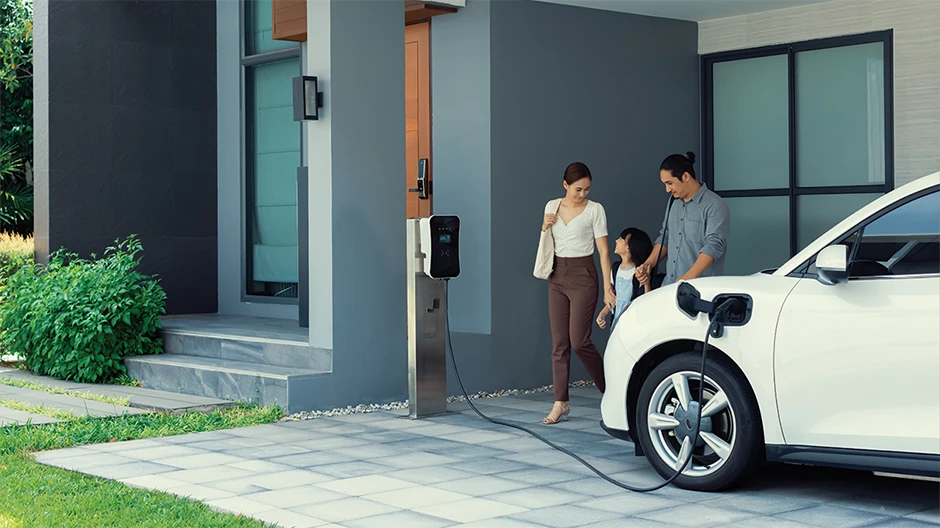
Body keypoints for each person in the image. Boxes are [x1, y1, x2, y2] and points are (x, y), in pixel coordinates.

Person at [542, 162, 615, 425]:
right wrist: (543, 226)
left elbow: (604, 252)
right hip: (557, 275)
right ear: (565, 185)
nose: (582, 194)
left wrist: (608, 287)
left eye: (586, 189)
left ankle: (612, 391)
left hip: (584, 275)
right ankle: (560, 403)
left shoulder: (595, 210)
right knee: (559, 342)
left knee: (579, 341)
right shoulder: (551, 207)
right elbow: (546, 243)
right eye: (577, 189)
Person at [636, 152, 730, 287]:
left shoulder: (715, 205)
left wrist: (686, 278)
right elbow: (666, 237)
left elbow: (714, 246)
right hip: (669, 286)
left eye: (670, 183)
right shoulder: (673, 202)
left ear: (685, 176)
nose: (667, 189)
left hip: (701, 290)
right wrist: (647, 265)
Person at [596, 228, 653, 331]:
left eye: (621, 239)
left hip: (633, 325)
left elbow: (646, 299)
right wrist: (603, 314)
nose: (616, 241)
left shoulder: (638, 271)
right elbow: (615, 299)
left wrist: (646, 281)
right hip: (616, 324)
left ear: (629, 247)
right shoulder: (615, 269)